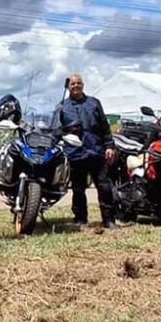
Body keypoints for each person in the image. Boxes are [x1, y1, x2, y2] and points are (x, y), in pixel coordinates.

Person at [53, 73, 117, 228]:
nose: (76, 86)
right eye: (73, 84)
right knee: (78, 188)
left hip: (96, 151)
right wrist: (64, 132)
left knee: (104, 186)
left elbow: (105, 126)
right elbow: (54, 130)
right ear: (68, 87)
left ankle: (109, 220)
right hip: (75, 153)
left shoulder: (94, 103)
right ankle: (80, 218)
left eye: (79, 83)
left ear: (83, 85)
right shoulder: (62, 106)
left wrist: (109, 146)